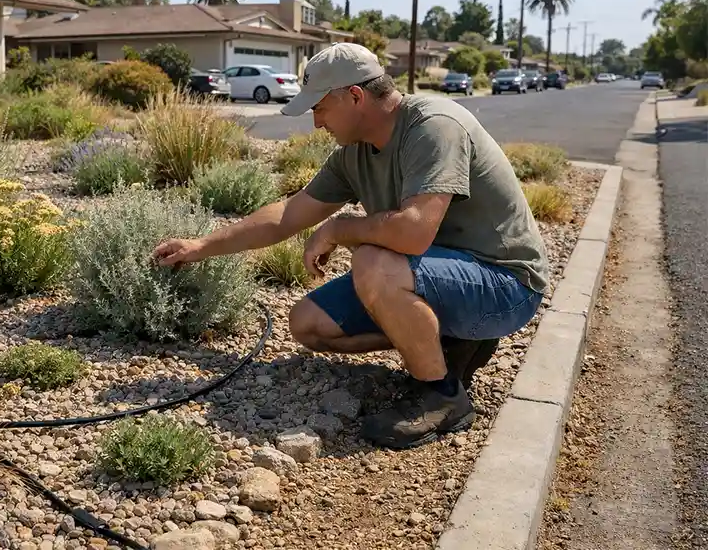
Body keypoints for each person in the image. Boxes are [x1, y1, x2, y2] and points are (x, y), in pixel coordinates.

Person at [152, 43, 549, 450]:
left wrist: (341, 228)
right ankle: (447, 343)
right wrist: (200, 245)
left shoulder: (435, 126)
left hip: (504, 284)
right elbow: (289, 213)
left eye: (320, 109)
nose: (317, 124)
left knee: (373, 262)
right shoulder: (353, 155)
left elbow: (413, 233)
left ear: (355, 96)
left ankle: (442, 395)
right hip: (435, 275)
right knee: (308, 323)